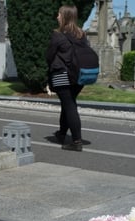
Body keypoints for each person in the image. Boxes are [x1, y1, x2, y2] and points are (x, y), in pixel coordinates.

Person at [46, 5, 87, 152]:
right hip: (78, 77)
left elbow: (49, 56)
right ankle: (62, 134)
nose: (57, 17)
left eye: (59, 14)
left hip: (62, 75)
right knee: (68, 104)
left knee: (69, 105)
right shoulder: (81, 34)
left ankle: (76, 141)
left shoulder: (58, 35)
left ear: (65, 17)